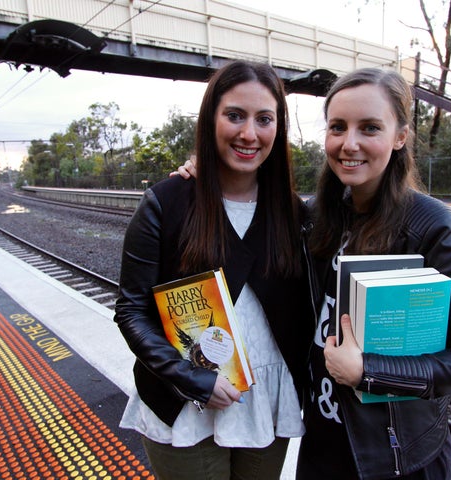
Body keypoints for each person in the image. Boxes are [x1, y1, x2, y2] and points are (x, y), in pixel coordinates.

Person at [114, 60, 317, 480]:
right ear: (211, 120)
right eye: (235, 116)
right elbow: (131, 310)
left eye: (264, 119)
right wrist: (190, 378)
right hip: (185, 401)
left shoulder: (295, 214)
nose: (249, 134)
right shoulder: (166, 204)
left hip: (267, 403)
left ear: (279, 129)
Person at [297, 68, 451, 479]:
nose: (349, 143)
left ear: (400, 137)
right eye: (337, 127)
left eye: (369, 127)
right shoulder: (317, 216)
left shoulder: (432, 227)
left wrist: (368, 371)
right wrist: (200, 174)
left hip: (393, 459)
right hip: (321, 441)